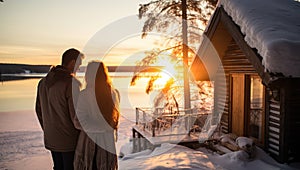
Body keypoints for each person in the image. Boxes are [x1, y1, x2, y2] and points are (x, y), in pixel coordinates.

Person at [35, 48, 84, 170]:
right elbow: (76, 117)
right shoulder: (71, 83)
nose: (78, 68)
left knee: (57, 167)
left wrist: (48, 129)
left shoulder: (43, 82)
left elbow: (38, 110)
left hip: (51, 138)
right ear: (72, 62)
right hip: (68, 141)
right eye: (78, 65)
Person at [74, 61, 120, 170]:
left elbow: (79, 122)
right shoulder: (114, 93)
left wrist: (100, 128)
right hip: (107, 143)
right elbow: (115, 121)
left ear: (88, 75)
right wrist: (105, 128)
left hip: (89, 143)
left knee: (89, 165)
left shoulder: (85, 95)